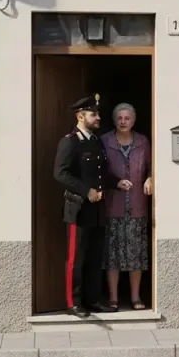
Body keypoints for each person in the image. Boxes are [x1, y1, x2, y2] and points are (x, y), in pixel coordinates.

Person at [53, 94, 119, 317]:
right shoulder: (70, 141)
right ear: (80, 116)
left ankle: (94, 300)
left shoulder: (95, 141)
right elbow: (60, 173)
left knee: (95, 256)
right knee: (76, 258)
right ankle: (73, 303)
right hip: (79, 209)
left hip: (98, 209)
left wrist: (117, 182)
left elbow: (101, 174)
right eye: (93, 114)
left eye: (98, 113)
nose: (98, 117)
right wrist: (86, 191)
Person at [101, 103, 153, 312]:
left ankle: (135, 296)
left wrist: (150, 178)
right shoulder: (105, 141)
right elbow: (100, 171)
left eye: (127, 118)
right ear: (114, 120)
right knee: (112, 255)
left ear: (133, 121)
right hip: (113, 205)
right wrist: (115, 183)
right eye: (119, 118)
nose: (123, 122)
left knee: (136, 254)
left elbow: (152, 167)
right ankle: (113, 298)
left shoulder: (142, 141)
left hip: (137, 206)